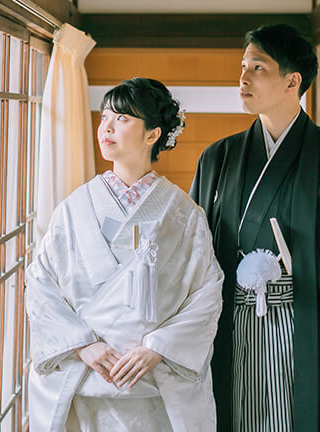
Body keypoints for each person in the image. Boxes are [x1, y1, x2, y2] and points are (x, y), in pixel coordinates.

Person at [190, 24, 320, 432]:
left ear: (293, 81)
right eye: (243, 66)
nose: (243, 77)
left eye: (258, 67)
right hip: (232, 326)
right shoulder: (218, 159)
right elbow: (191, 254)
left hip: (310, 327)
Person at [27, 77, 224, 432]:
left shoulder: (184, 213)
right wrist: (82, 345)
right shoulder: (74, 208)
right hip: (86, 378)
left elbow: (206, 293)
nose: (106, 128)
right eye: (104, 117)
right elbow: (42, 284)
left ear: (152, 135)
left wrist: (158, 348)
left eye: (122, 119)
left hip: (154, 385)